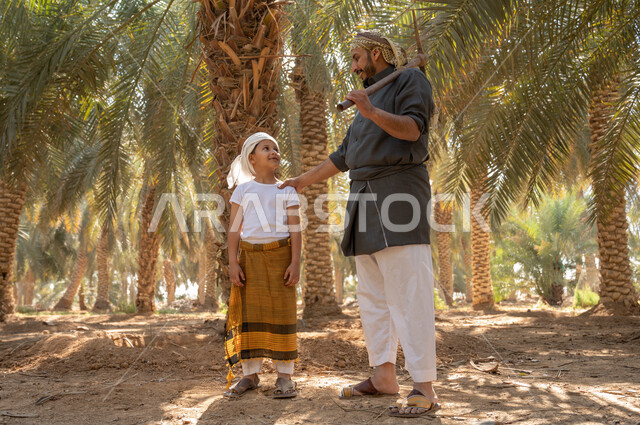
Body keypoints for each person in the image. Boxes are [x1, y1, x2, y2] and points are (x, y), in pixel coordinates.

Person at [280, 31, 439, 417]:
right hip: (362, 199)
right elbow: (343, 157)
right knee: (373, 297)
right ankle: (383, 376)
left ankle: (424, 386)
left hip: (399, 194)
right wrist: (302, 181)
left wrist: (369, 111)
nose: (352, 65)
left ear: (378, 53)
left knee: (409, 293)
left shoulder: (410, 80)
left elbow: (413, 130)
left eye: (357, 57)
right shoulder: (365, 101)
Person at [223, 132, 301, 399]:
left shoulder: (287, 189)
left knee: (283, 314)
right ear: (252, 159)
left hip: (281, 258)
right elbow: (234, 231)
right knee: (250, 316)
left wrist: (295, 263)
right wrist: (233, 263)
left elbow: (296, 230)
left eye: (276, 148)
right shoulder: (243, 190)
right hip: (250, 258)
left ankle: (285, 377)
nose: (273, 151)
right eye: (265, 148)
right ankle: (250, 375)